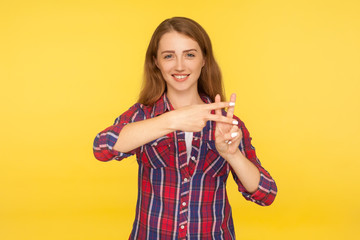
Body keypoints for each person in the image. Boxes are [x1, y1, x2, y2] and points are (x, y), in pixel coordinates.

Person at [93, 17, 277, 240]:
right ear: (156, 62)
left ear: (204, 60)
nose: (179, 66)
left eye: (190, 54)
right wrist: (170, 120)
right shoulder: (144, 115)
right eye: (169, 56)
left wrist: (233, 155)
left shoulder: (225, 123)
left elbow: (266, 194)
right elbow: (102, 148)